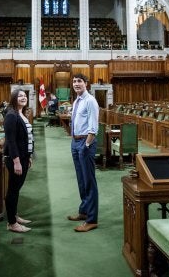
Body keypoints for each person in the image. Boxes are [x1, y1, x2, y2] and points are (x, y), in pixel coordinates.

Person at [67, 73, 100, 232]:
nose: (76, 84)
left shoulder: (90, 101)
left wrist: (87, 144)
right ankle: (84, 211)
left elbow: (94, 126)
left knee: (89, 181)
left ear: (86, 83)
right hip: (75, 142)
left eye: (79, 81)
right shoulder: (76, 101)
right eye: (74, 81)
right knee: (81, 180)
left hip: (85, 143)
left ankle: (92, 219)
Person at [3, 89, 34, 233]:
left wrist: (29, 156)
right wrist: (16, 161)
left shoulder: (21, 113)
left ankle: (14, 215)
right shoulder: (11, 115)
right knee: (13, 190)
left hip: (23, 156)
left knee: (17, 189)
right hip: (15, 158)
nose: (23, 98)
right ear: (14, 98)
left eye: (25, 96)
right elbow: (11, 140)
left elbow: (26, 137)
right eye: (20, 96)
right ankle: (11, 223)